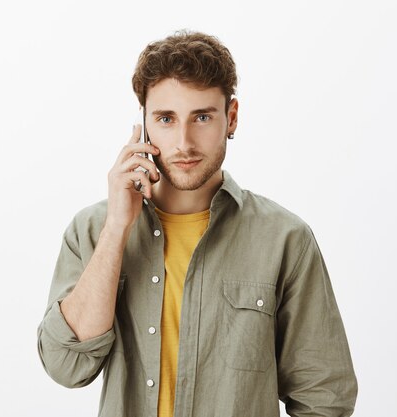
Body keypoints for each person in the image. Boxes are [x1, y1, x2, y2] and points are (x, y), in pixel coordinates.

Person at [36, 29, 358, 417]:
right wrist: (117, 228)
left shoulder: (285, 239)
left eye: (202, 117)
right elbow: (66, 365)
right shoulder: (93, 230)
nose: (184, 142)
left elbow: (325, 397)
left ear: (231, 118)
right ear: (144, 123)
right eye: (166, 118)